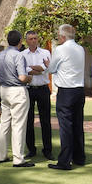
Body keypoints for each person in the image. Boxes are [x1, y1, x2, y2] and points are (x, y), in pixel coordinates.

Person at [40, 24, 87, 171]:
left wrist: (48, 64)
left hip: (66, 91)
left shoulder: (60, 49)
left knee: (66, 127)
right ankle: (79, 157)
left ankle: (65, 161)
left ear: (62, 36)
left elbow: (52, 69)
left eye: (59, 36)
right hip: (79, 90)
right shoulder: (80, 49)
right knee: (78, 125)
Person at [0, 31, 34, 167]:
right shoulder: (18, 55)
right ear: (20, 41)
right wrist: (30, 78)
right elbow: (23, 77)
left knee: (4, 123)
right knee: (18, 125)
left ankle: (1, 155)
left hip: (4, 90)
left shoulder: (0, 54)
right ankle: (18, 158)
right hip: (17, 91)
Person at [21, 30, 53, 161]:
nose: (33, 40)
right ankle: (31, 149)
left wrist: (31, 68)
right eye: (31, 38)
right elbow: (23, 69)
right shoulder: (22, 54)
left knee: (46, 121)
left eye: (35, 38)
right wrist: (38, 69)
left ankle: (48, 150)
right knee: (28, 121)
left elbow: (48, 68)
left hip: (43, 89)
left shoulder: (46, 52)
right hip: (28, 89)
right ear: (26, 41)